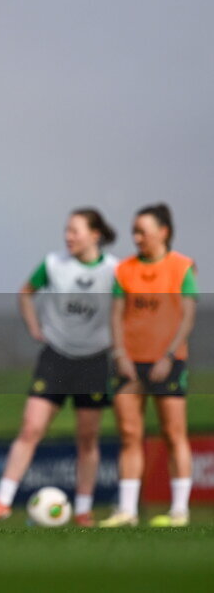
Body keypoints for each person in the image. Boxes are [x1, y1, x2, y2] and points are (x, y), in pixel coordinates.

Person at [0, 209, 118, 526]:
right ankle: (2, 502)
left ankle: (83, 510)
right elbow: (26, 293)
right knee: (31, 429)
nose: (68, 236)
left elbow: (127, 308)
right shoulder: (54, 264)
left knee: (88, 439)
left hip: (94, 361)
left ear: (95, 234)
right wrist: (34, 326)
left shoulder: (114, 271)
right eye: (67, 230)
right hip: (55, 357)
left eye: (75, 231)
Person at [101, 204, 198, 528]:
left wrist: (168, 357)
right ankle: (127, 511)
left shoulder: (182, 267)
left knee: (173, 434)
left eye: (142, 230)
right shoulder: (124, 269)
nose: (136, 237)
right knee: (129, 435)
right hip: (130, 364)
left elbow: (186, 317)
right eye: (134, 231)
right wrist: (120, 355)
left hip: (168, 363)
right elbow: (116, 315)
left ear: (163, 232)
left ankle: (179, 511)